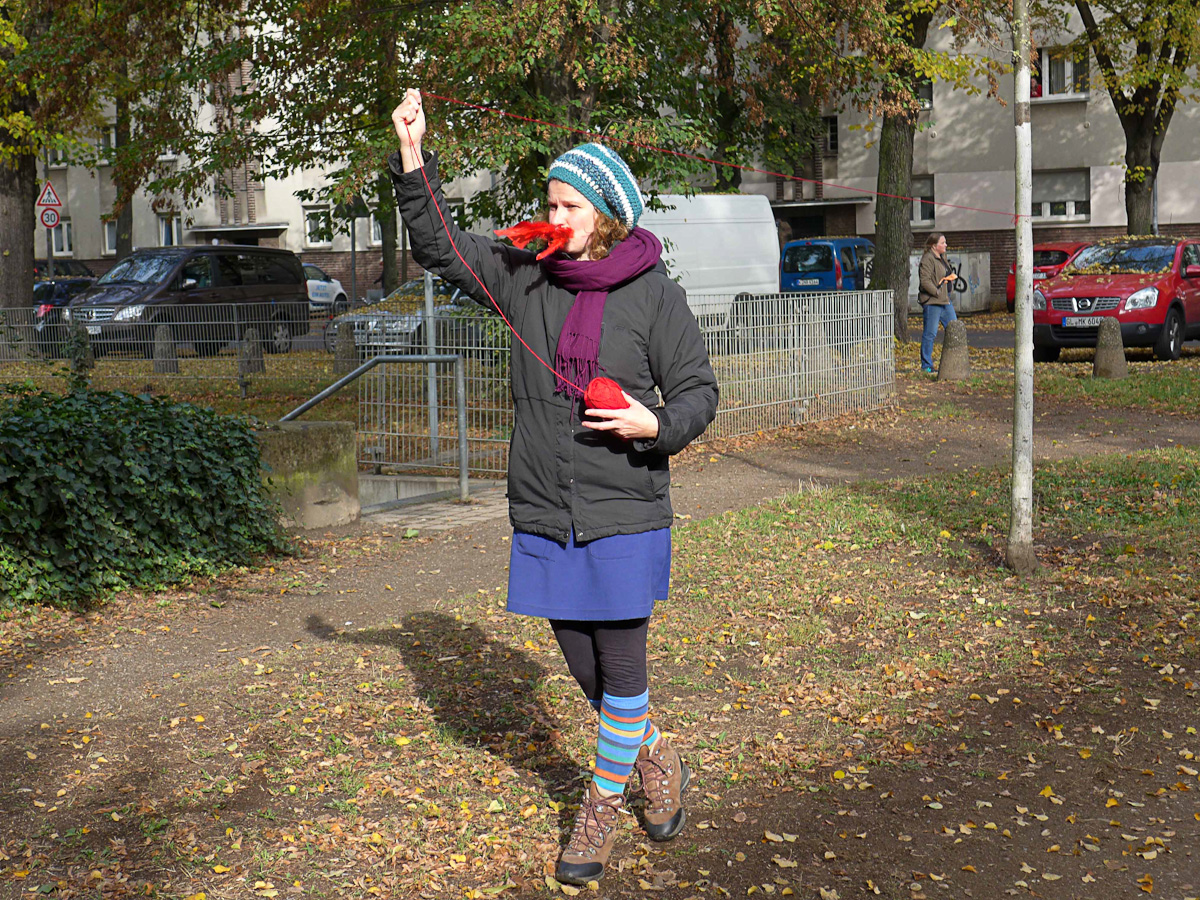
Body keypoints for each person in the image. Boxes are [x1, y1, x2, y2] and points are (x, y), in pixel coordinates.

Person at [389, 89, 719, 885]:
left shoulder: (655, 293)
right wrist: (412, 152)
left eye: (568, 205)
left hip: (625, 506)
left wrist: (654, 423)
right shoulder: (526, 275)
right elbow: (441, 247)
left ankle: (596, 816)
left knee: (623, 670)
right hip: (546, 507)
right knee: (587, 671)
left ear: (605, 215)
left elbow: (699, 392)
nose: (553, 215)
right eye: (550, 202)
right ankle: (657, 758)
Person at [917, 232, 959, 373]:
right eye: (943, 243)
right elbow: (925, 281)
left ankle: (954, 363)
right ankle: (927, 366)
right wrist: (936, 292)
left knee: (954, 330)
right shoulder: (927, 259)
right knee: (930, 334)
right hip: (933, 302)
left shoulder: (942, 258)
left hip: (945, 301)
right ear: (934, 246)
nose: (946, 245)